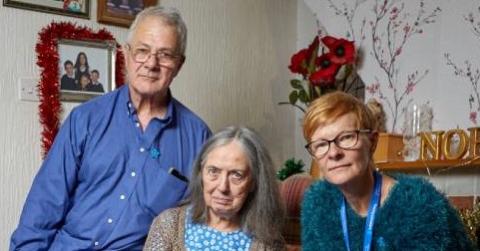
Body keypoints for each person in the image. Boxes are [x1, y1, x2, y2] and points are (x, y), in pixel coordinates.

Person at [10, 6, 211, 250]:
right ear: (126, 54)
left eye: (165, 55)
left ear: (179, 65)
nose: (151, 63)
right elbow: (43, 207)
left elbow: (204, 225)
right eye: (142, 51)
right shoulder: (84, 120)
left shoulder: (199, 138)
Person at [301, 91, 474, 250]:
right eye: (321, 144)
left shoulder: (418, 205)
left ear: (373, 141)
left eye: (346, 137)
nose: (333, 153)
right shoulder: (317, 204)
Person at [143, 126, 286, 250]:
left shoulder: (269, 242)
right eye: (213, 171)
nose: (223, 187)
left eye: (236, 175)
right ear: (201, 173)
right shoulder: (168, 225)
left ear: (254, 182)